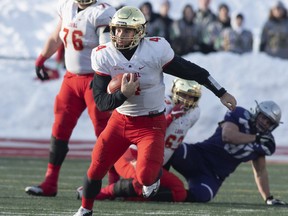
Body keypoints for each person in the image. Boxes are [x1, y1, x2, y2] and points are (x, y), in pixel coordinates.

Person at [73, 6, 236, 216]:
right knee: (96, 167)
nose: (120, 35)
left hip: (150, 123)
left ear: (140, 32)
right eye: (117, 29)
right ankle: (85, 208)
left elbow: (193, 71)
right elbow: (102, 102)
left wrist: (221, 92)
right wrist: (123, 94)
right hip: (120, 121)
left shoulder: (155, 51)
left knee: (146, 177)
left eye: (127, 30)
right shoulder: (104, 54)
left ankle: (153, 178)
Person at [24, 0, 116, 197]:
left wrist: (104, 78)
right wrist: (42, 57)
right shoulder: (67, 7)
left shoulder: (102, 12)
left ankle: (114, 184)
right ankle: (50, 182)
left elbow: (106, 48)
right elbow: (57, 36)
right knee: (59, 129)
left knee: (105, 133)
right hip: (71, 79)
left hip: (94, 80)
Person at [76, 79, 202, 202]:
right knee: (141, 183)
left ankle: (126, 196)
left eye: (191, 97)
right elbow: (149, 131)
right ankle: (101, 193)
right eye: (183, 94)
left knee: (179, 192)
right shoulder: (162, 104)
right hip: (132, 155)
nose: (187, 100)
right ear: (175, 91)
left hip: (153, 160)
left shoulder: (194, 113)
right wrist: (171, 117)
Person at [168, 100, 287, 205]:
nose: (265, 123)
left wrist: (268, 198)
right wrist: (255, 137)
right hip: (197, 156)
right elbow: (228, 136)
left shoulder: (265, 142)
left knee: (203, 195)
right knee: (172, 151)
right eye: (263, 117)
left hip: (213, 175)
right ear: (257, 113)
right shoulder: (240, 115)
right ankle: (154, 180)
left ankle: (163, 194)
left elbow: (260, 171)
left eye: (269, 122)